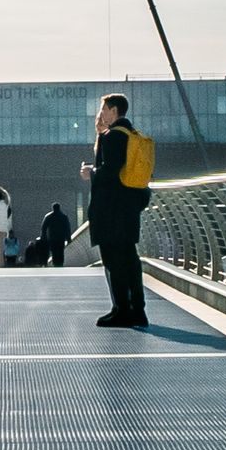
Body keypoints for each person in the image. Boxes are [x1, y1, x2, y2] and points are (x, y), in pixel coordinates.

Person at [85, 91, 156, 328]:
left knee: (113, 260)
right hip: (129, 207)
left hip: (111, 209)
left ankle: (121, 310)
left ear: (114, 110)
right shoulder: (132, 135)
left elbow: (109, 171)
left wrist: (91, 172)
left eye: (104, 109)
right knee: (129, 258)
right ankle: (138, 309)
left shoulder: (113, 137)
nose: (101, 113)